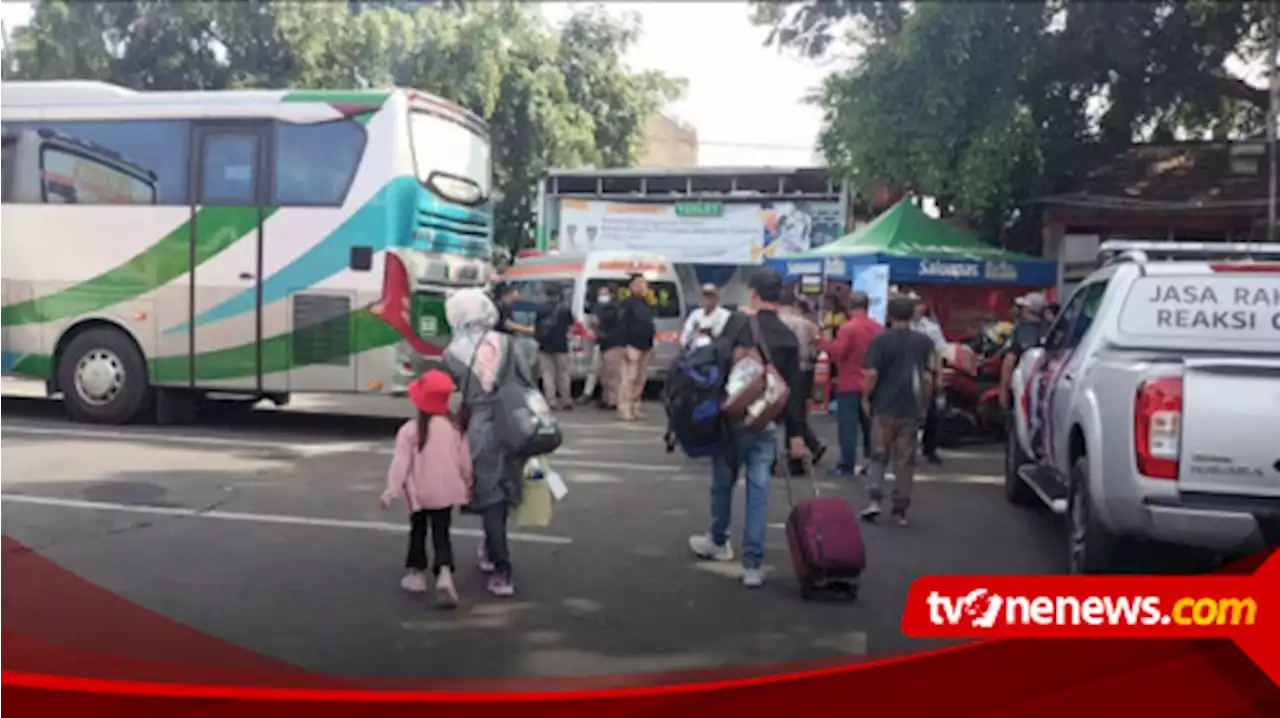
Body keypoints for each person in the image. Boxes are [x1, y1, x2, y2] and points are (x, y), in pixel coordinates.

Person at [688, 268, 808, 589]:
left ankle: (718, 539)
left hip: (732, 420)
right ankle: (752, 565)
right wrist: (797, 434)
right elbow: (793, 393)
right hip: (767, 424)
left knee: (723, 483)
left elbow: (717, 364)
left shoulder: (737, 324)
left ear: (754, 293)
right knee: (759, 491)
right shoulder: (788, 336)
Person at [440, 288, 528, 597]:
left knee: (489, 495)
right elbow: (526, 381)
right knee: (504, 491)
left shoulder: (452, 353)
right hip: (514, 425)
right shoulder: (507, 343)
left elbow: (456, 396)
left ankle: (502, 566)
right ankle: (493, 552)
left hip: (480, 429)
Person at [380, 370, 473, 609]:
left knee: (418, 531)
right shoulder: (454, 428)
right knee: (442, 534)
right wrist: (468, 483)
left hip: (419, 493)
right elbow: (465, 462)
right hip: (445, 493)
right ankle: (444, 574)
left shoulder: (410, 430)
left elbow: (400, 464)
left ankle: (416, 574)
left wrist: (392, 490)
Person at [861, 296, 936, 527]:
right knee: (905, 459)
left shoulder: (880, 341)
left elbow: (872, 374)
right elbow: (927, 377)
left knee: (879, 453)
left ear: (890, 316)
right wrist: (924, 404)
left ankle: (874, 501)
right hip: (910, 408)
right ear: (912, 314)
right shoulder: (924, 342)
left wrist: (865, 397)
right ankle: (900, 509)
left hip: (884, 406)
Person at [820, 290, 881, 477]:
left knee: (848, 427)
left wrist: (822, 343)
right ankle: (873, 463)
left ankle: (847, 464)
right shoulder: (878, 328)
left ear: (849, 305)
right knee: (870, 425)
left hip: (849, 381)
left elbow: (837, 353)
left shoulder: (848, 328)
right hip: (873, 382)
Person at [777, 290, 827, 463]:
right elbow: (817, 349)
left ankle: (791, 454)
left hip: (779, 371)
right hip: (803, 371)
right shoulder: (807, 324)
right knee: (796, 412)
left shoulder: (775, 322)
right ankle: (799, 453)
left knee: (780, 413)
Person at [911, 297, 948, 466]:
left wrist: (939, 376)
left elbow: (939, 353)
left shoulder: (931, 329)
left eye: (919, 305)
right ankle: (908, 450)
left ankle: (930, 448)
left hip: (927, 372)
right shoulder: (902, 327)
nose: (916, 309)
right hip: (907, 374)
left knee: (932, 413)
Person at [999, 292, 1049, 410]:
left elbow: (1009, 362)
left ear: (1028, 311)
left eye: (1022, 308)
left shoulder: (1022, 331)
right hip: (1046, 389)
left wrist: (1003, 393)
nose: (1019, 311)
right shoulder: (1050, 328)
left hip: (1023, 388)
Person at [617, 273, 656, 421]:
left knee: (641, 378)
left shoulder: (646, 303)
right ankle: (624, 407)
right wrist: (625, 345)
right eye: (639, 283)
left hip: (646, 344)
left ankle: (635, 406)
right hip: (631, 344)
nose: (642, 286)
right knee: (629, 378)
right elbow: (621, 325)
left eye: (644, 283)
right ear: (632, 286)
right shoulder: (627, 303)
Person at [580, 283, 623, 409]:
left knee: (613, 374)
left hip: (613, 343)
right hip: (602, 343)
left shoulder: (615, 309)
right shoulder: (599, 308)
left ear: (612, 295)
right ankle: (606, 398)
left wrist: (598, 325)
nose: (601, 296)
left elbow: (607, 325)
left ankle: (614, 400)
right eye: (600, 294)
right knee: (603, 374)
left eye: (604, 294)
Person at [534, 284, 575, 410]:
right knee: (563, 374)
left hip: (544, 346)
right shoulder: (564, 310)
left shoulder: (541, 309)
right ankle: (566, 400)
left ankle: (551, 401)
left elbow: (536, 327)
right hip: (561, 345)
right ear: (559, 295)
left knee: (548, 375)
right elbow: (571, 326)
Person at [680, 283, 732, 350]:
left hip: (714, 351)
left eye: (710, 296)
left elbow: (721, 336)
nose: (707, 299)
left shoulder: (725, 315)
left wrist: (707, 333)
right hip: (694, 352)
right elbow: (686, 334)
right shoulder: (695, 314)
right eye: (705, 296)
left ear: (717, 298)